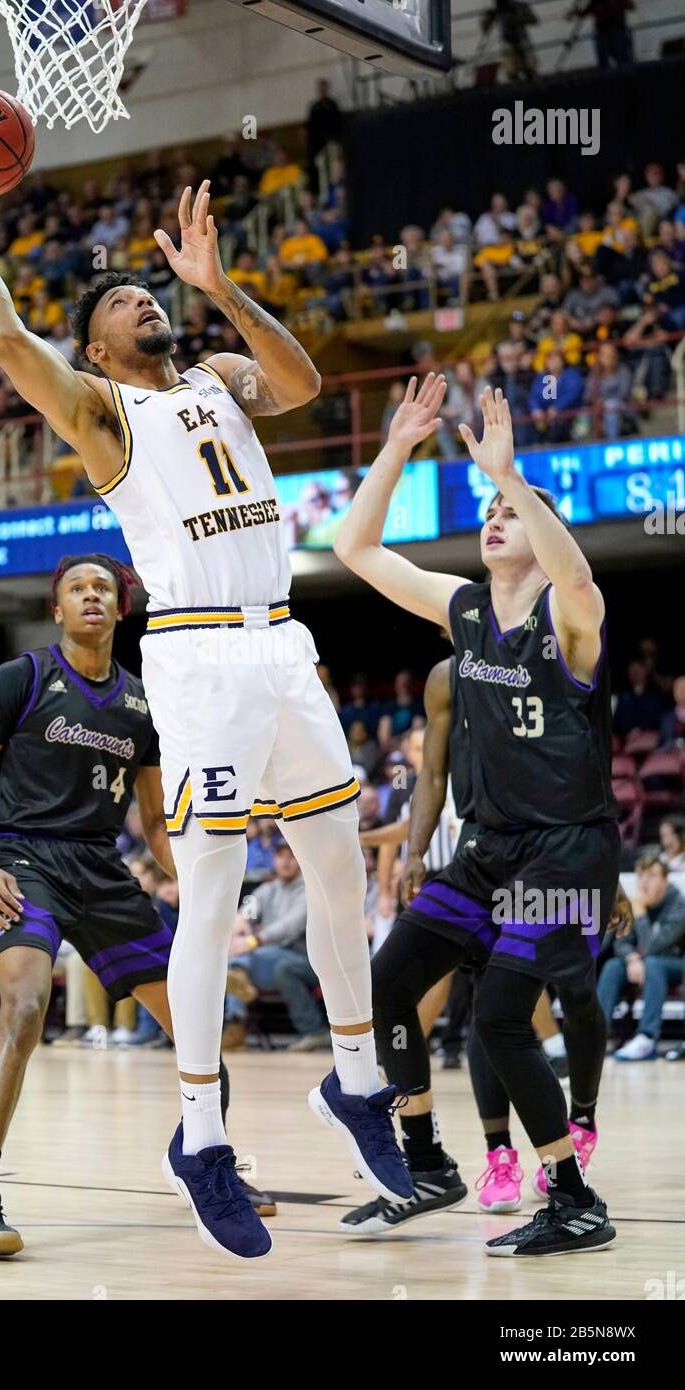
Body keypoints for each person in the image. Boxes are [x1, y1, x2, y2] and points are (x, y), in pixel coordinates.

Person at [0, 130, 410, 1263]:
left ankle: (358, 1080)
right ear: (94, 341)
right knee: (220, 886)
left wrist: (220, 288)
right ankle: (201, 1140)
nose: (149, 303)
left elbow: (302, 382)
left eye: (153, 293)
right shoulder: (102, 414)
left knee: (338, 870)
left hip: (283, 642)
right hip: (194, 658)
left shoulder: (215, 377)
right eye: (130, 299)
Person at [335, 376, 619, 1256]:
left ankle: (573, 1198)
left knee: (498, 1015)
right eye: (489, 508)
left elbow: (574, 571)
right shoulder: (462, 610)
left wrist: (517, 479)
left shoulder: (571, 619)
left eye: (510, 513)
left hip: (569, 855)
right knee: (387, 982)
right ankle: (425, 1162)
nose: (494, 518)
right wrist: (395, 447)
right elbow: (356, 548)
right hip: (489, 851)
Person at [0, 556, 271, 1256]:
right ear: (56, 608)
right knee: (25, 1008)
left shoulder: (141, 703)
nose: (91, 596)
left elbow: (153, 821)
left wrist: (197, 885)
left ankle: (201, 1157)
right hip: (27, 861)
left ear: (121, 610)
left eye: (102, 589)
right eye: (75, 588)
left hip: (104, 870)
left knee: (200, 1035)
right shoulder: (18, 680)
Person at [225, 842, 329, 1052]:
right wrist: (240, 923)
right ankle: (236, 1005)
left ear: (299, 861)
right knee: (233, 951)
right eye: (281, 856)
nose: (286, 862)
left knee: (246, 958)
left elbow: (290, 926)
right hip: (267, 957)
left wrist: (254, 940)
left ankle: (315, 1032)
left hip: (304, 957)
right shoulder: (266, 889)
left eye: (291, 857)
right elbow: (246, 912)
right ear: (274, 860)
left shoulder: (309, 890)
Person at [598, 853, 685, 1061]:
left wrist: (639, 914)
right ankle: (595, 1034)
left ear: (665, 880)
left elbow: (653, 946)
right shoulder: (636, 902)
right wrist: (631, 959)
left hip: (676, 965)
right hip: (645, 963)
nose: (644, 883)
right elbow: (621, 942)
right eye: (641, 876)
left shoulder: (679, 905)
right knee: (613, 966)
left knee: (653, 963)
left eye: (652, 876)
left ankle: (647, 1037)